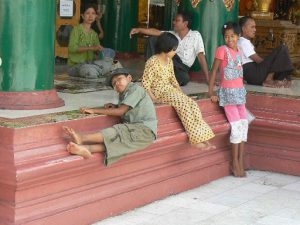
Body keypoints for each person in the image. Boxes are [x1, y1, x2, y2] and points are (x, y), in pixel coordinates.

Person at [63, 68, 157, 166]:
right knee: (116, 142)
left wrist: (94, 110)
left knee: (118, 131)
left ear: (129, 78)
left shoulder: (135, 89)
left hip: (144, 130)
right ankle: (86, 149)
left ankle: (82, 138)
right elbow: (126, 108)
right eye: (114, 83)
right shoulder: (124, 94)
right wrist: (115, 106)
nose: (117, 83)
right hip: (139, 132)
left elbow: (121, 111)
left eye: (119, 79)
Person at [142, 32, 215, 150]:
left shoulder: (169, 61)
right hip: (159, 93)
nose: (175, 52)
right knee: (183, 105)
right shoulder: (152, 61)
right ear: (167, 48)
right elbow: (145, 84)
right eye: (174, 49)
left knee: (192, 104)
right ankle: (195, 139)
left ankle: (203, 137)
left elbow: (173, 80)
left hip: (169, 91)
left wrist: (182, 94)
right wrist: (154, 99)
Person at [209, 22, 248, 177]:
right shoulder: (222, 50)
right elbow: (214, 71)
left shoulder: (239, 51)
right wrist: (211, 91)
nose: (229, 39)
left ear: (238, 36)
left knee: (244, 126)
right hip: (228, 94)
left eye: (232, 36)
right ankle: (235, 163)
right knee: (236, 127)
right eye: (226, 36)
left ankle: (241, 160)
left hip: (239, 94)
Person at [130, 11, 210, 86]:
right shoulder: (172, 34)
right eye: (174, 20)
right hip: (170, 61)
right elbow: (157, 32)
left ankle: (160, 79)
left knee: (184, 78)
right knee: (153, 39)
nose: (174, 22)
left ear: (185, 24)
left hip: (181, 68)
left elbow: (201, 56)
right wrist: (139, 30)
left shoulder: (195, 35)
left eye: (177, 20)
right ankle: (149, 72)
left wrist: (208, 79)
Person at [238, 16, 293, 88]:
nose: (255, 30)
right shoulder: (243, 42)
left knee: (280, 56)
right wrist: (272, 62)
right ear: (243, 29)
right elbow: (258, 61)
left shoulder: (244, 41)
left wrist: (273, 63)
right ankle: (269, 79)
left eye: (255, 27)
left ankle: (279, 79)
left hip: (253, 75)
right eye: (252, 27)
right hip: (254, 74)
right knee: (282, 48)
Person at [67, 4, 115, 79]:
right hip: (75, 66)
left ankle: (99, 71)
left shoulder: (94, 34)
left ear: (96, 16)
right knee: (88, 70)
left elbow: (97, 51)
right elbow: (72, 48)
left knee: (113, 64)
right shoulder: (76, 30)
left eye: (93, 13)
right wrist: (91, 48)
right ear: (82, 16)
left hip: (90, 63)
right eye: (88, 13)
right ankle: (100, 72)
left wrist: (101, 50)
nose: (90, 16)